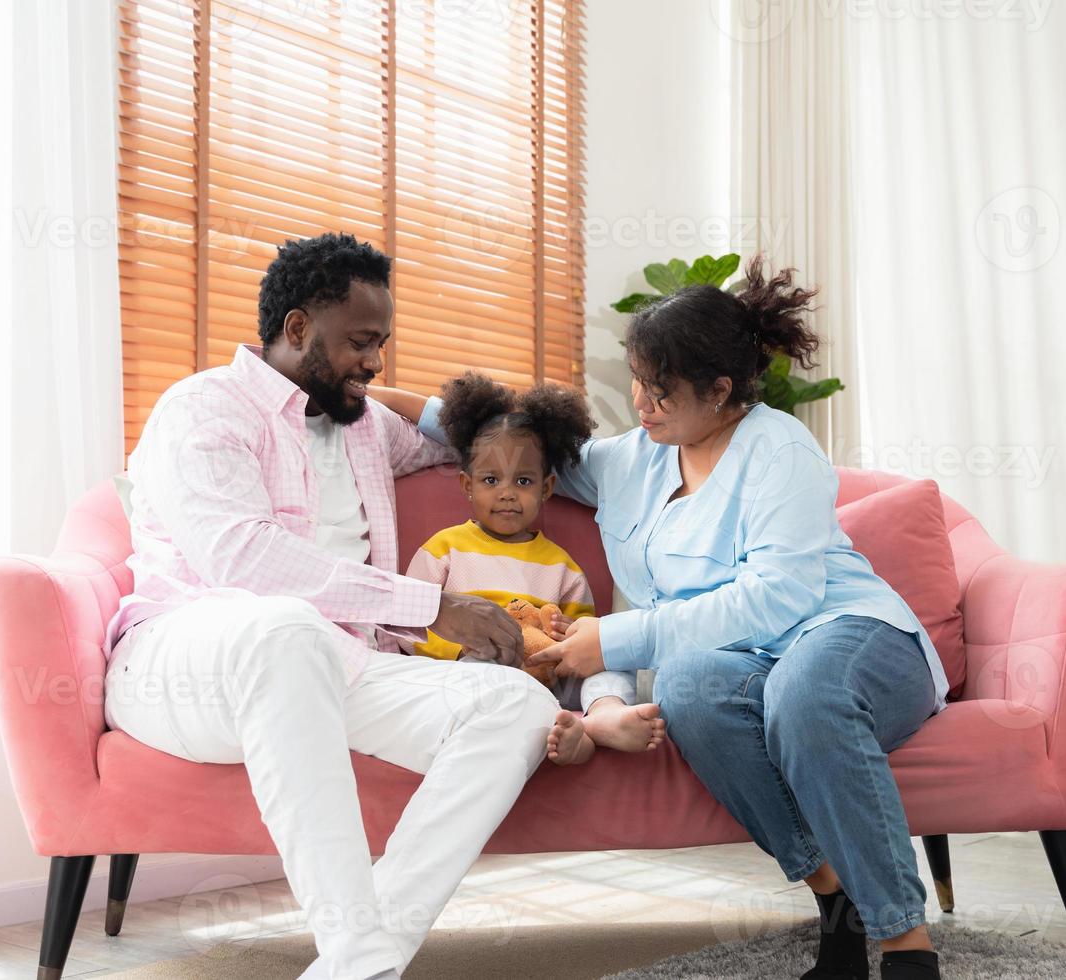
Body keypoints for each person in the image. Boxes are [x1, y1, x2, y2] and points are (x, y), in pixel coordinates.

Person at [384, 257, 949, 980]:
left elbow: (778, 598)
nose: (641, 403)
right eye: (637, 383)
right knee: (686, 688)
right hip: (748, 661)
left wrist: (612, 638)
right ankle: (833, 902)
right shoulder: (633, 459)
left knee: (803, 694)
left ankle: (906, 949)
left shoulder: (780, 453)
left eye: (660, 390)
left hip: (848, 634)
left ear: (720, 391)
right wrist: (379, 397)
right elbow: (507, 436)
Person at [103, 233, 558, 980]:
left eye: (381, 343)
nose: (374, 361)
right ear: (295, 329)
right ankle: (361, 957)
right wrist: (429, 606)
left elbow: (466, 442)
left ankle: (356, 963)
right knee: (285, 626)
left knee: (515, 706)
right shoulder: (202, 410)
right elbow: (244, 560)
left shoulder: (362, 424)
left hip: (339, 665)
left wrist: (374, 393)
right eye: (359, 342)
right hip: (186, 663)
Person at [380, 371, 665, 765]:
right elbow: (411, 625)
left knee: (608, 665)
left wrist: (559, 635)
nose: (508, 493)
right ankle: (557, 733)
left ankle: (602, 716)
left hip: (549, 676)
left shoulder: (563, 566)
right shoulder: (444, 549)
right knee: (483, 675)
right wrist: (463, 647)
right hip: (477, 671)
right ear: (467, 485)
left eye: (524, 481)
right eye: (491, 480)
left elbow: (580, 633)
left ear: (546, 489)